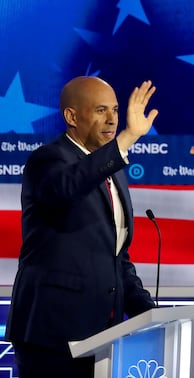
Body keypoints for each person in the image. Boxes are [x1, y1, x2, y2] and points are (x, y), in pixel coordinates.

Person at [5, 76, 159, 378]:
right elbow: (68, 187)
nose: (112, 119)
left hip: (103, 337)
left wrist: (149, 314)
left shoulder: (114, 171)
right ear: (72, 116)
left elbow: (116, 257)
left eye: (115, 110)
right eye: (101, 110)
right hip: (52, 336)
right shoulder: (47, 160)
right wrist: (126, 139)